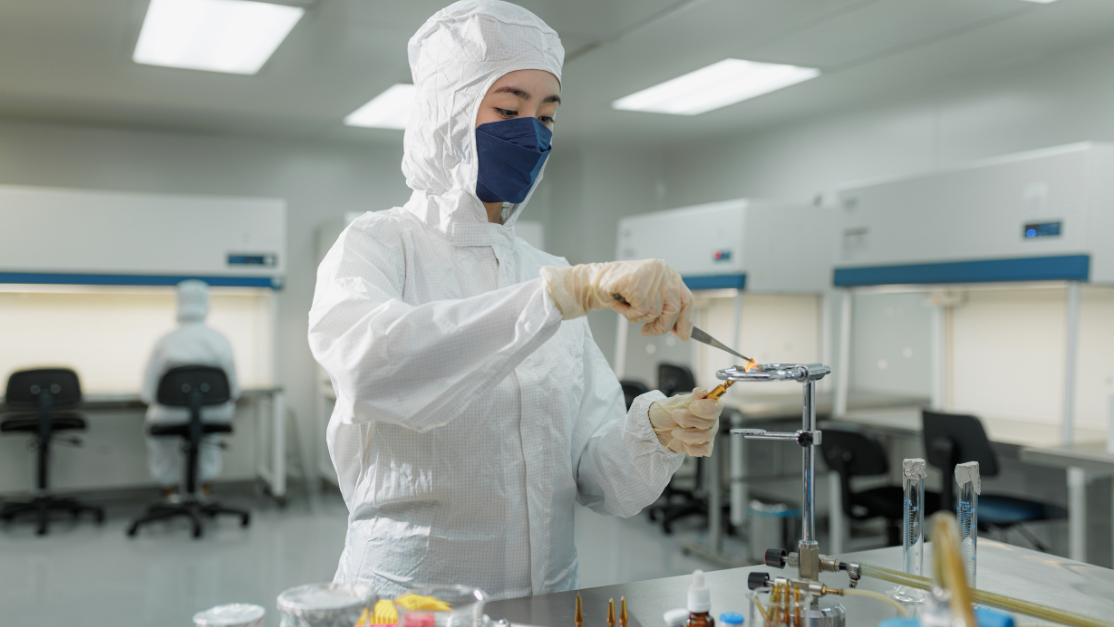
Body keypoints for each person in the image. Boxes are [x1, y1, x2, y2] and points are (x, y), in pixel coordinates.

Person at [308, 0, 722, 600]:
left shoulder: (545, 272)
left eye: (547, 116)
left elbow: (595, 477)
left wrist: (654, 433)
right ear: (446, 115)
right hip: (410, 598)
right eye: (507, 107)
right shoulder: (378, 244)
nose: (530, 132)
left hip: (546, 599)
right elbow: (375, 371)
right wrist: (561, 295)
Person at [141, 279, 240, 500]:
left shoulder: (165, 341)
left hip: (170, 414)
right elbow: (234, 389)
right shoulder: (220, 340)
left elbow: (147, 392)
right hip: (214, 412)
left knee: (157, 435)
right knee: (209, 437)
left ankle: (169, 490)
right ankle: (205, 487)